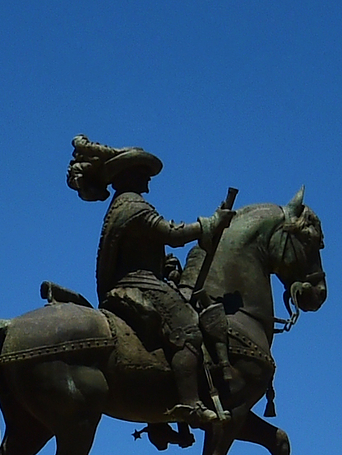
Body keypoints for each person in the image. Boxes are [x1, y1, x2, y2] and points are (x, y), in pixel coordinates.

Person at [69, 137, 227, 429]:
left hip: (140, 278)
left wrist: (167, 265)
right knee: (187, 328)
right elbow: (171, 233)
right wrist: (211, 223)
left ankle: (159, 417)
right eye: (144, 175)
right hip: (138, 284)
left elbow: (149, 247)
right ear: (130, 176)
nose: (149, 182)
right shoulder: (133, 206)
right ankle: (190, 404)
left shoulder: (122, 206)